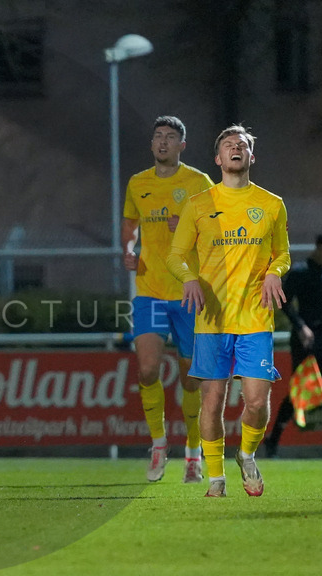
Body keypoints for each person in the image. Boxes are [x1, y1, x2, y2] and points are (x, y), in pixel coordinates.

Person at [166, 125, 290, 498]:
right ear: (218, 159)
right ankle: (216, 478)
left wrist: (274, 271)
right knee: (213, 401)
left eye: (243, 145)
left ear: (252, 157)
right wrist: (188, 279)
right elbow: (175, 255)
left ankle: (247, 454)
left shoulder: (271, 204)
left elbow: (283, 253)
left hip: (254, 317)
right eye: (228, 145)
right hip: (212, 321)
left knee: (256, 401)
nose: (236, 148)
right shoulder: (199, 204)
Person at [123, 116, 214, 483]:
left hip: (189, 293)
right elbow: (129, 227)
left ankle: (193, 452)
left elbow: (218, 229)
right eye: (158, 136)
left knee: (192, 378)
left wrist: (192, 228)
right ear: (151, 144)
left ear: (182, 145)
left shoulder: (198, 182)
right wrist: (128, 250)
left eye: (170, 137)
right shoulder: (138, 183)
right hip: (149, 291)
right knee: (147, 369)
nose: (163, 142)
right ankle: (159, 445)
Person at [263, 233, 322, 459]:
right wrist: (300, 326)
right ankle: (273, 439)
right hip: (304, 338)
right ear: (319, 247)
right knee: (300, 390)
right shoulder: (300, 272)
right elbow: (283, 301)